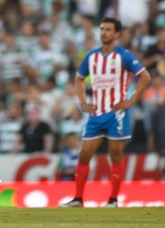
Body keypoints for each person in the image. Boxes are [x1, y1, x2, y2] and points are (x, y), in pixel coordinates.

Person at [60, 17, 151, 208]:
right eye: (102, 29)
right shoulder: (90, 57)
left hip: (116, 113)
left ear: (117, 34)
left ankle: (113, 199)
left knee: (115, 154)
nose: (104, 33)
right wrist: (83, 103)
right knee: (84, 153)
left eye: (109, 29)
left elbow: (145, 76)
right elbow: (78, 78)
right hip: (96, 113)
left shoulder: (124, 56)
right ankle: (78, 198)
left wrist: (131, 101)